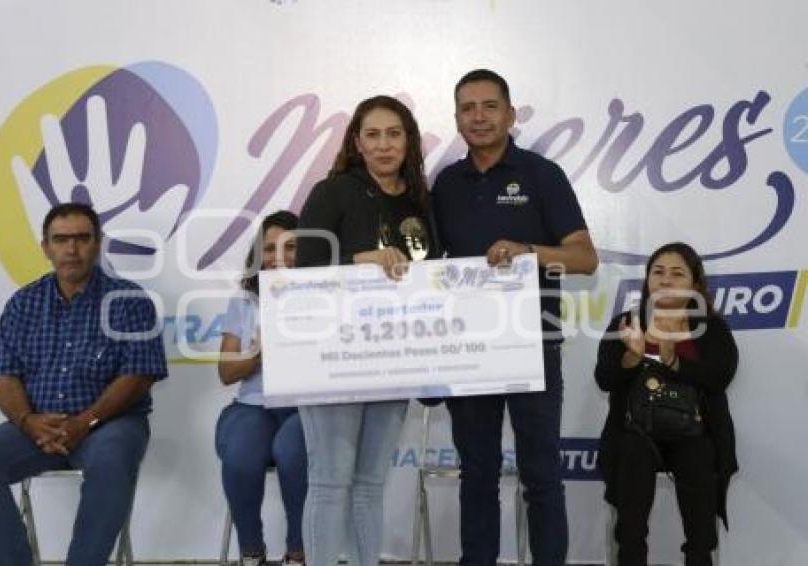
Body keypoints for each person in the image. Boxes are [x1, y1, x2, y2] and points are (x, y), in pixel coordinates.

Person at [432, 69, 598, 566]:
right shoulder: (445, 184)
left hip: (533, 346)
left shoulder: (542, 175)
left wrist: (528, 251)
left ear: (510, 113)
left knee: (541, 474)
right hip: (471, 351)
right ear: (457, 118)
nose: (478, 117)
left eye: (489, 106)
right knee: (477, 473)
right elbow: (431, 268)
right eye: (468, 108)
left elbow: (585, 258)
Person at [0, 203, 167, 566]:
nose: (72, 249)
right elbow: (3, 375)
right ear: (46, 247)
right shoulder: (23, 303)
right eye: (61, 239)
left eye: (82, 238)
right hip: (37, 423)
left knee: (110, 460)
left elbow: (137, 376)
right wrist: (27, 420)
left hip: (111, 423)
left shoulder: (130, 301)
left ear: (97, 243)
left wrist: (84, 421)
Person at [294, 95, 438, 565]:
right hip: (332, 356)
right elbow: (304, 271)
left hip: (393, 358)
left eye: (393, 134)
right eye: (372, 135)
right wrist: (362, 260)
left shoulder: (421, 200)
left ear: (408, 141)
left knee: (371, 485)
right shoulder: (331, 191)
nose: (383, 145)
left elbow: (433, 276)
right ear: (357, 142)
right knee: (331, 482)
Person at [594, 242, 738, 566]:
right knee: (631, 454)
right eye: (658, 272)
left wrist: (672, 358)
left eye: (677, 273)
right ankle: (631, 556)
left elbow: (719, 377)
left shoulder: (710, 327)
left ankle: (699, 557)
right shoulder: (628, 322)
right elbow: (605, 378)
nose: (666, 280)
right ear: (647, 281)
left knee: (700, 456)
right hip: (637, 430)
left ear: (694, 284)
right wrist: (632, 355)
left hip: (694, 431)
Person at [215, 210, 307, 566]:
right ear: (258, 255)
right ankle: (251, 551)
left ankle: (298, 551)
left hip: (305, 406)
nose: (278, 258)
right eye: (269, 249)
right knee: (240, 454)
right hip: (254, 404)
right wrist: (259, 352)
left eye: (291, 247)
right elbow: (225, 372)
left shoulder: (328, 297)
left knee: (292, 452)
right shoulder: (243, 301)